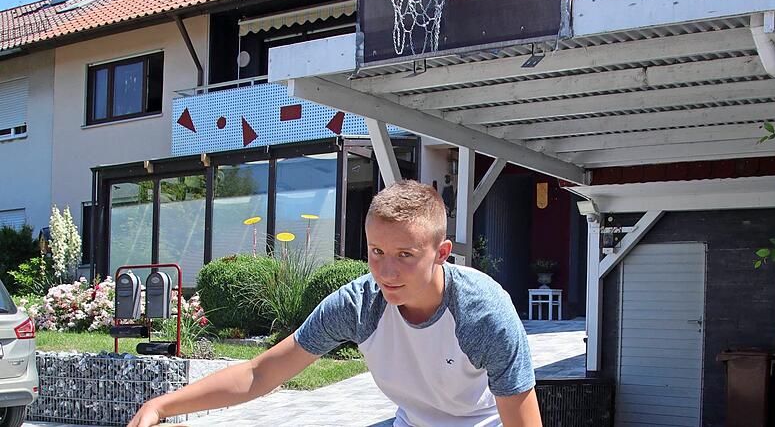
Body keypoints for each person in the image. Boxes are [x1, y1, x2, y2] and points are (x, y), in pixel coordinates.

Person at [128, 180, 541, 427]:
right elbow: (260, 373)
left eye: (405, 255)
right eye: (376, 251)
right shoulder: (359, 306)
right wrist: (161, 405)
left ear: (442, 252)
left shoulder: (483, 315)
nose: (386, 272)